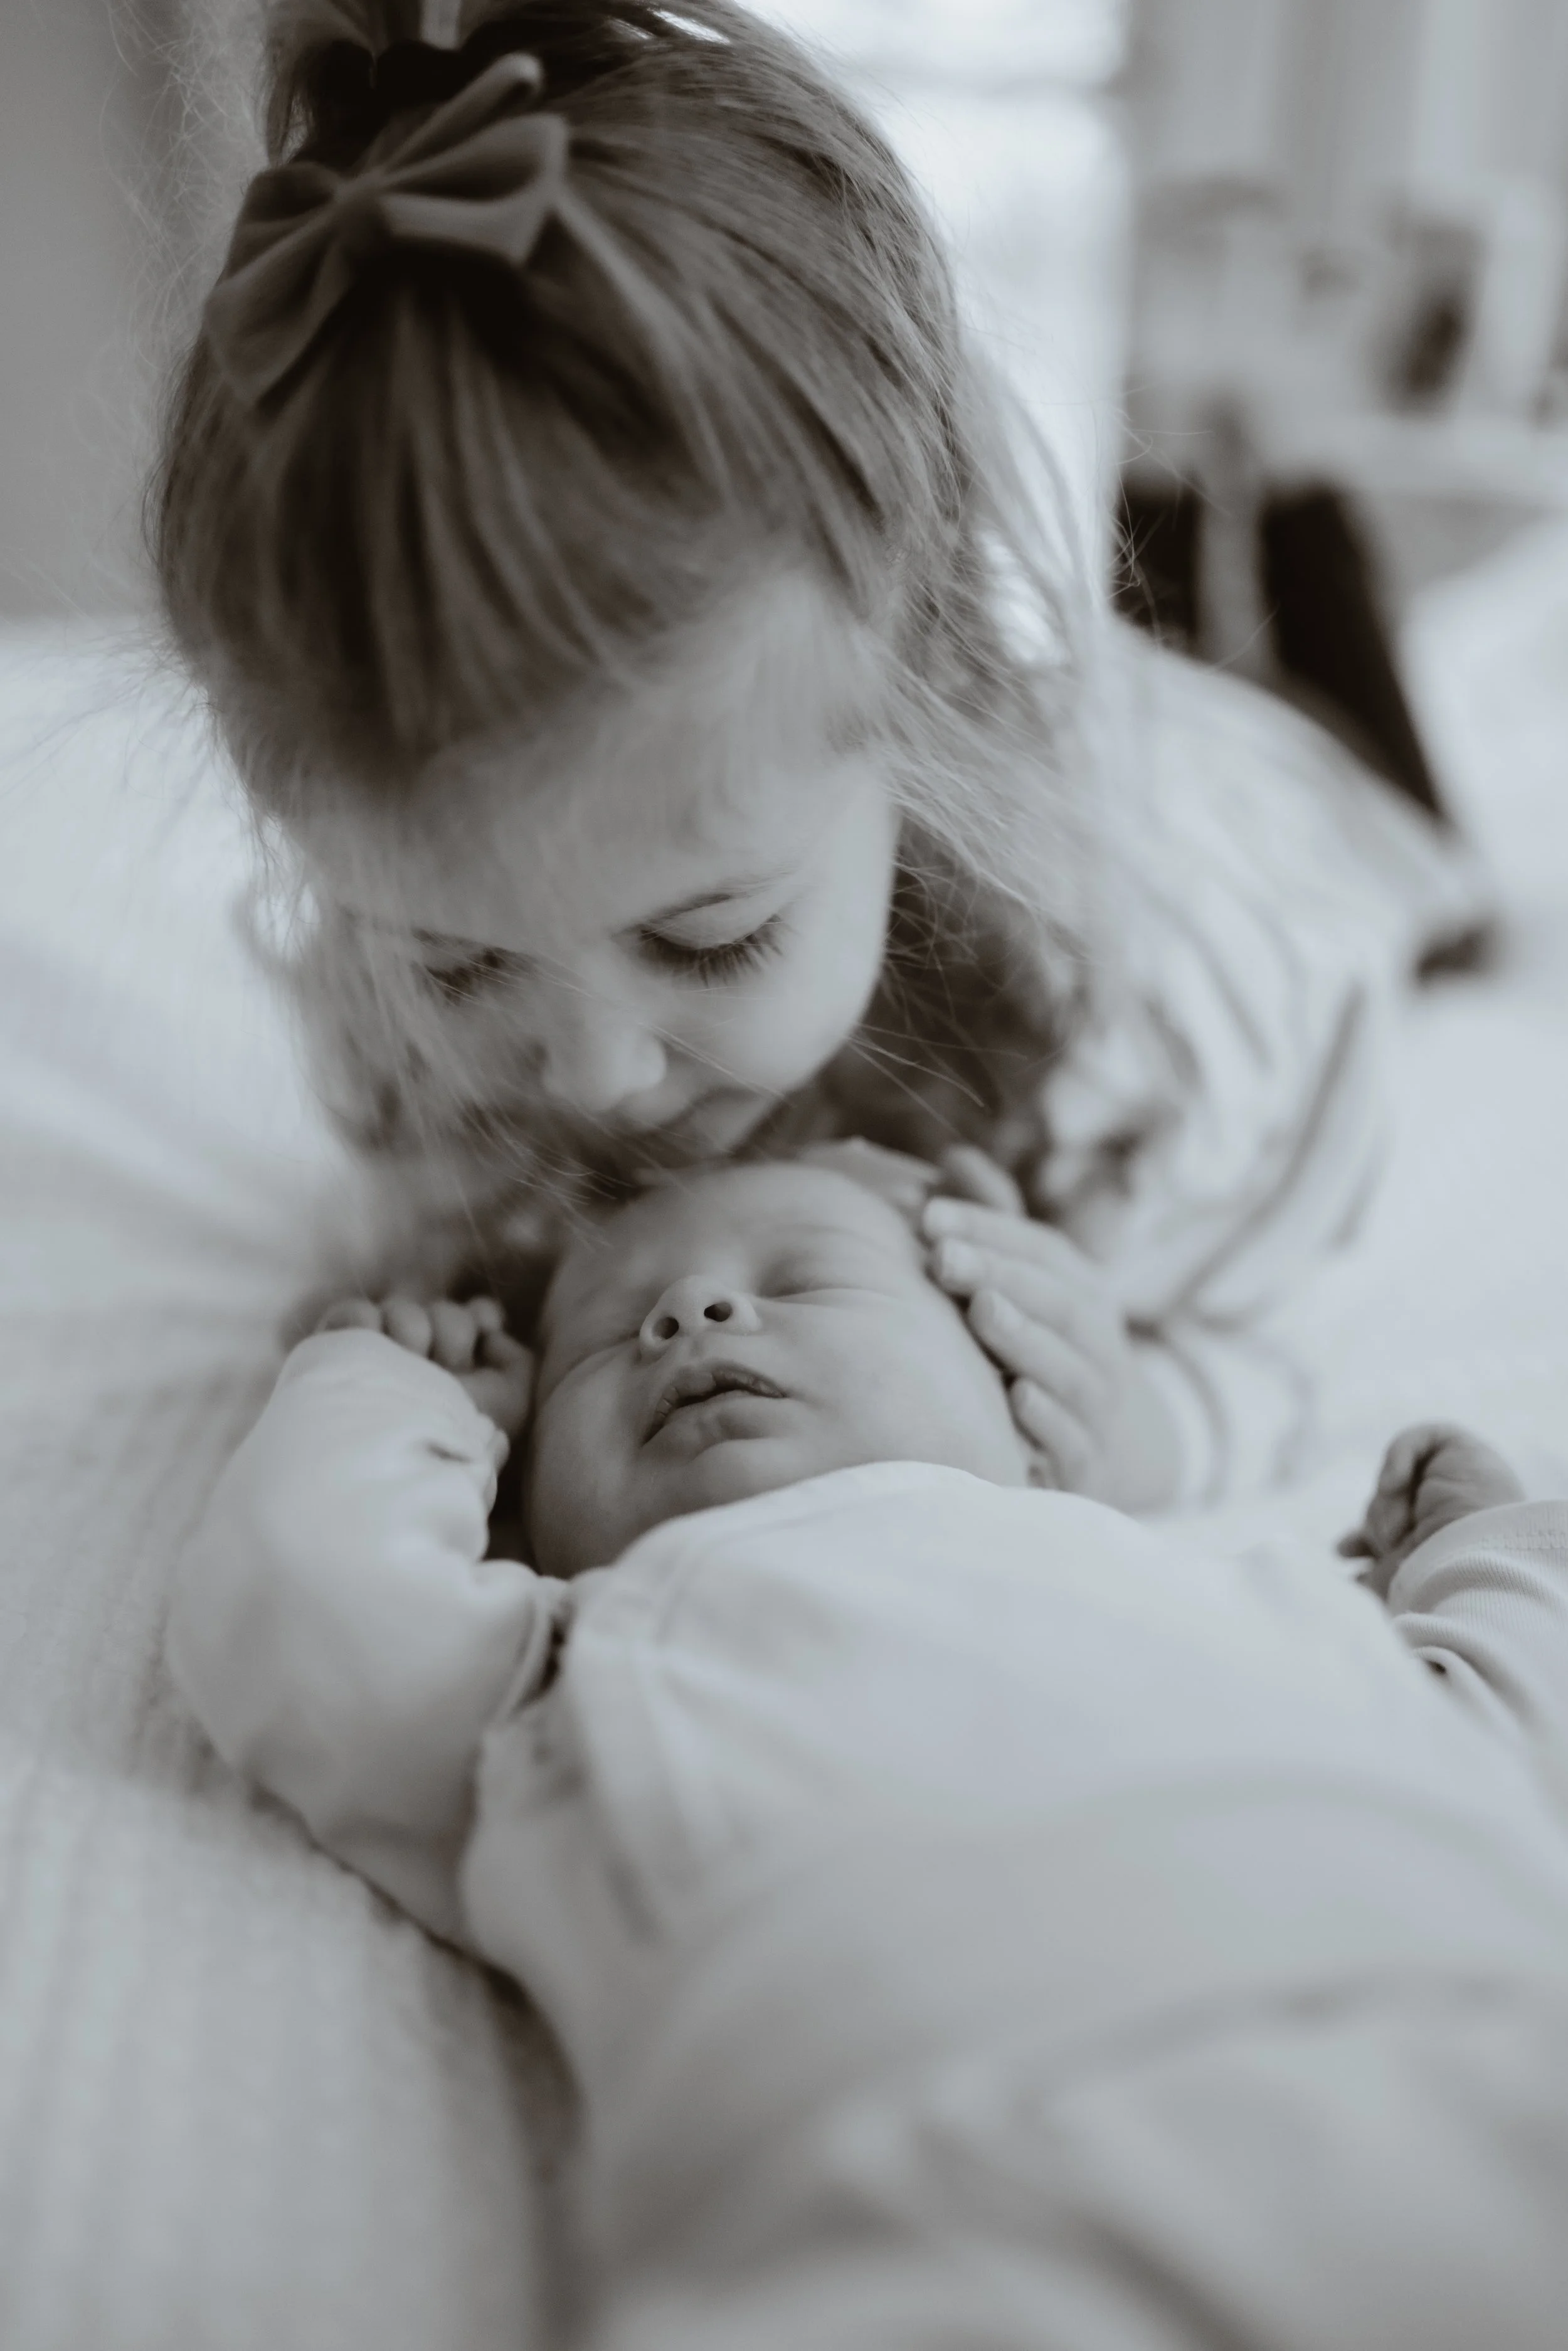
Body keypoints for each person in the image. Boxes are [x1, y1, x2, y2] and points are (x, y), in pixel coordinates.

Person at [152, 0, 1478, 1510]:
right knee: (1163, 570)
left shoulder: (1147, 1038)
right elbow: (412, 1245)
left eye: (707, 936)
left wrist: (1128, 1421)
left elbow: (1258, 1340)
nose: (593, 1076)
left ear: (926, 709)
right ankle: (1194, 503)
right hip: (1081, 714)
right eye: (458, 964)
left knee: (1387, 780)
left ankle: (1291, 506)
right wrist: (401, 1361)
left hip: (1269, 787)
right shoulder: (406, 1015)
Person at [169, 1155, 1568, 2351]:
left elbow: (1501, 1736)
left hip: (1465, 2047)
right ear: (528, 1512)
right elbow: (300, 1602)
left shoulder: (1218, 1573)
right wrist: (396, 1389)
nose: (687, 1313)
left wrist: (1474, 1555)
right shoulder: (564, 1660)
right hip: (947, 2191)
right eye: (596, 1343)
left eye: (805, 1273)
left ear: (1022, 1397)